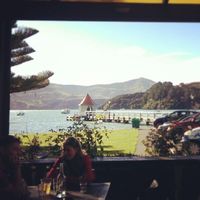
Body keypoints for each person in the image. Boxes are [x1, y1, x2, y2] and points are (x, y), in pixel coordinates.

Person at [0, 135, 29, 200]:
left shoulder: (7, 166)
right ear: (2, 150)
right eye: (15, 149)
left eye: (19, 150)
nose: (19, 153)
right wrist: (17, 168)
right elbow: (16, 195)